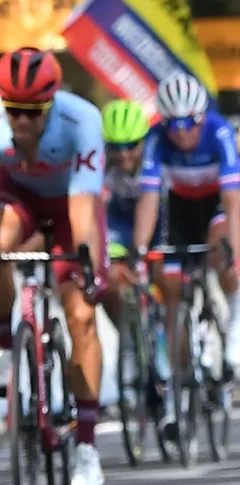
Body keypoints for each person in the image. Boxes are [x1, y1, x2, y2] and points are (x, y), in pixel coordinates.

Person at [0, 48, 108, 485]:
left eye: (33, 112)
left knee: (81, 316)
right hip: (18, 198)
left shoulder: (82, 119)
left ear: (51, 103)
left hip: (71, 203)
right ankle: (4, 346)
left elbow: (83, 210)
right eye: (13, 110)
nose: (22, 121)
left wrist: (88, 269)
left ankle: (87, 446)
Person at [133, 73, 240, 381]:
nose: (180, 133)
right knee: (170, 286)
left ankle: (235, 323)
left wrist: (236, 252)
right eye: (172, 125)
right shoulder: (155, 138)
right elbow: (148, 200)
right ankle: (179, 377)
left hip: (217, 203)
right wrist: (139, 252)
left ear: (201, 117)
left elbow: (233, 200)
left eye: (189, 123)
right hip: (181, 207)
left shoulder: (219, 131)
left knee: (223, 249)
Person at [101, 99, 153, 326]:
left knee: (166, 276)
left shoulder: (155, 157)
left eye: (131, 146)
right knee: (109, 278)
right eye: (115, 147)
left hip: (157, 219)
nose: (124, 154)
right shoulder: (101, 160)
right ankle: (127, 335)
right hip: (120, 219)